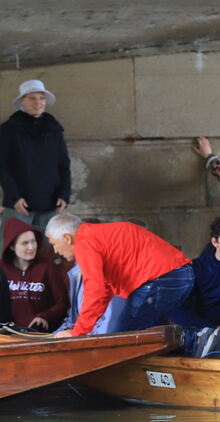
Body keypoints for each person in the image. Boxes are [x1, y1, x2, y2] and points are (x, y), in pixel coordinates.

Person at [46, 215, 194, 336]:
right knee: (148, 330)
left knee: (123, 336)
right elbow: (103, 292)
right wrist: (80, 329)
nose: (55, 250)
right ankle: (197, 338)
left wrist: (77, 332)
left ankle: (196, 339)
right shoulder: (96, 236)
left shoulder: (84, 243)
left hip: (162, 278)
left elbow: (94, 290)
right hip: (178, 276)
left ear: (67, 238)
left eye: (53, 243)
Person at [0, 79, 70, 227]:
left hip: (51, 202)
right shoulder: (8, 130)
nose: (38, 102)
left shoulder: (54, 129)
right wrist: (14, 197)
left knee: (48, 248)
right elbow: (3, 166)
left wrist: (65, 194)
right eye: (32, 98)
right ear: (22, 102)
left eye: (42, 98)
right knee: (13, 246)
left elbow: (63, 164)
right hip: (20, 204)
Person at [0, 217, 67, 331]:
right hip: (7, 332)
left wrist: (45, 316)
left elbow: (63, 303)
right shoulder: (2, 268)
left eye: (33, 241)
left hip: (39, 332)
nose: (31, 247)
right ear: (11, 246)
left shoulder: (48, 267)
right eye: (25, 243)